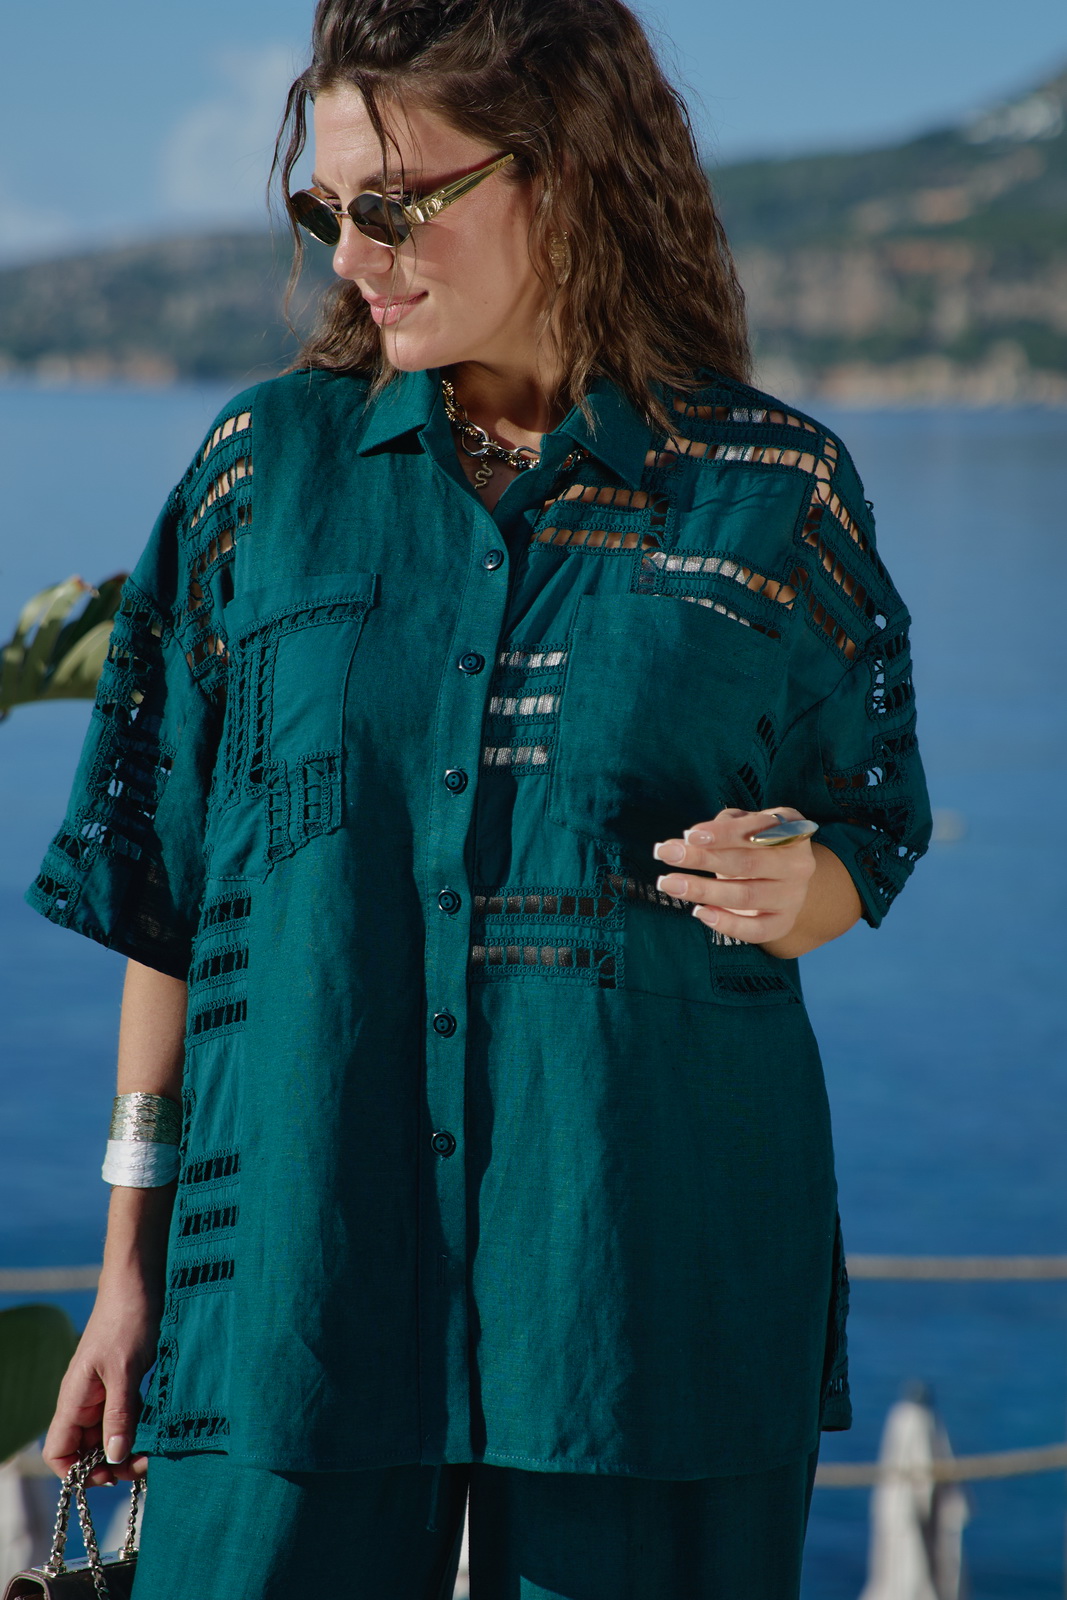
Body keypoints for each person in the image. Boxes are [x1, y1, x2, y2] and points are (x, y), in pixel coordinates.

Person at [28, 0, 931, 1594]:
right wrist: (128, 1269)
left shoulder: (772, 493)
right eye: (326, 211)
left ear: (561, 175)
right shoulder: (262, 478)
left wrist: (814, 886)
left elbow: (873, 813)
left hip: (642, 1291)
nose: (353, 258)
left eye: (392, 205)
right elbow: (164, 892)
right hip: (288, 1280)